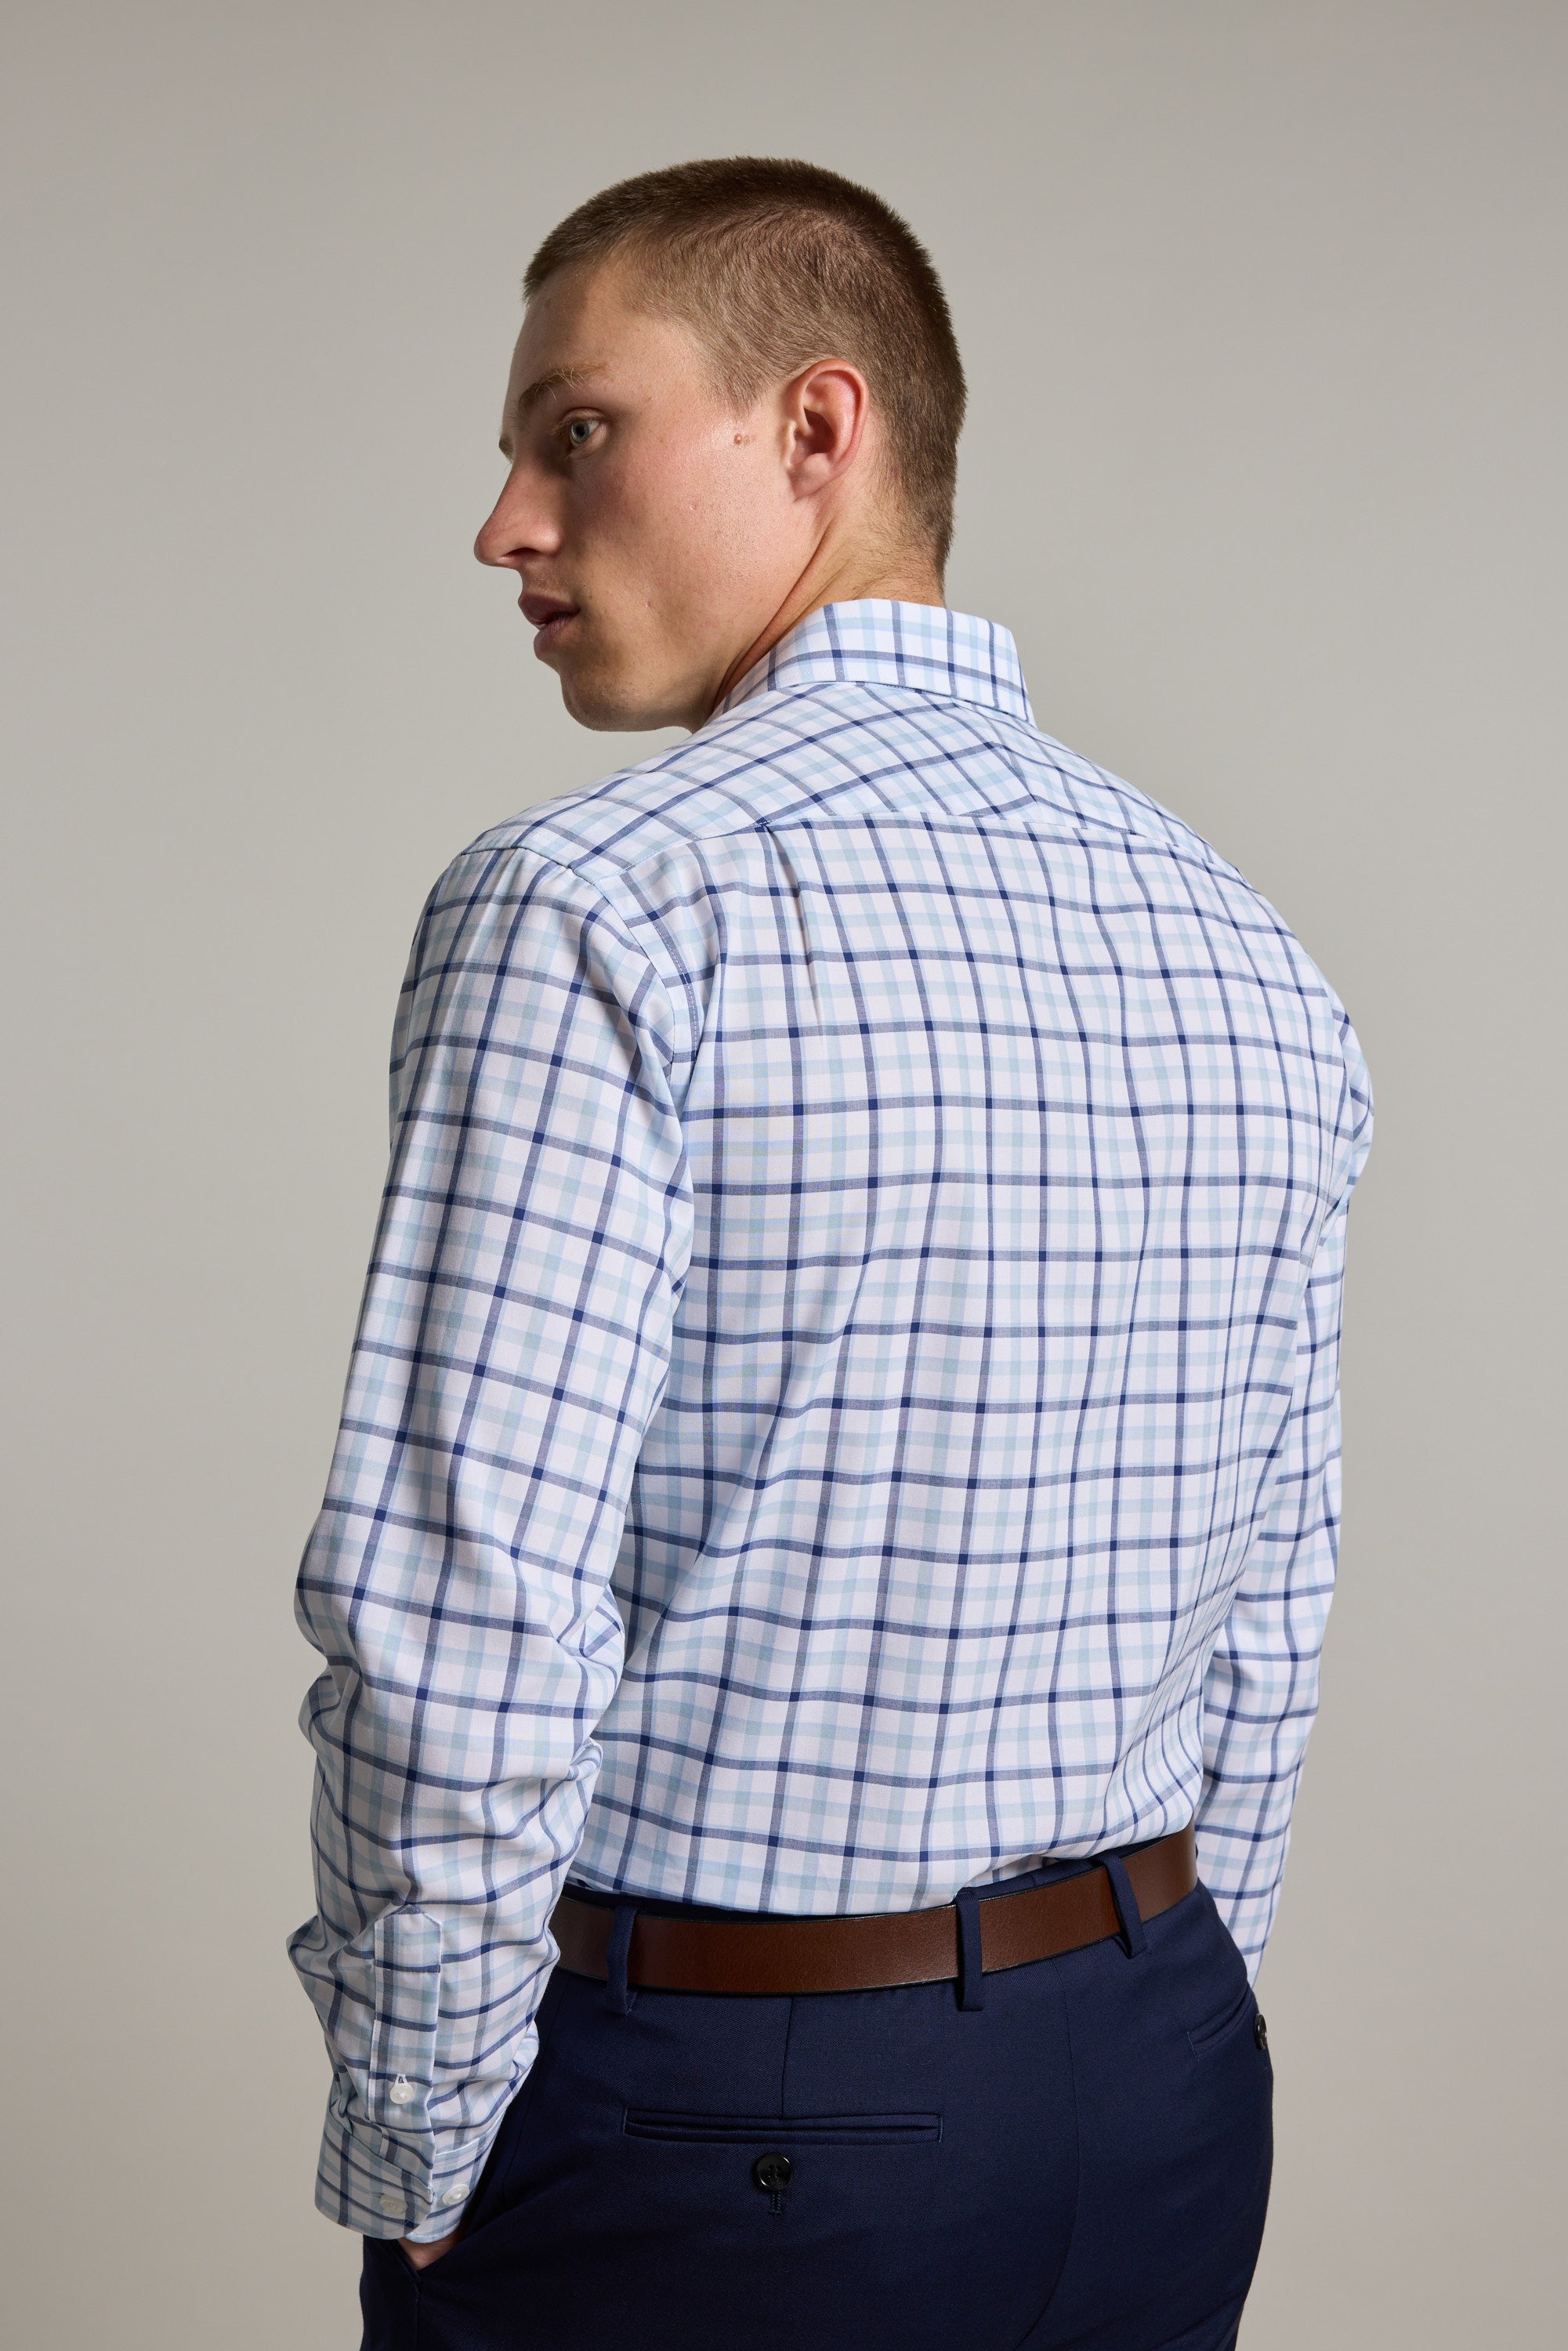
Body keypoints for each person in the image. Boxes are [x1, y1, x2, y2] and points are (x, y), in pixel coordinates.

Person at [289, 158, 1371, 2351]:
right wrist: (1177, 1995)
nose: (507, 518)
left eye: (571, 430)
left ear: (816, 428)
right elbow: (1272, 1592)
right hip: (1149, 2089)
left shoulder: (597, 904)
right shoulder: (1247, 946)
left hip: (731, 2125)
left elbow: (458, 1621)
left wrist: (417, 2133)